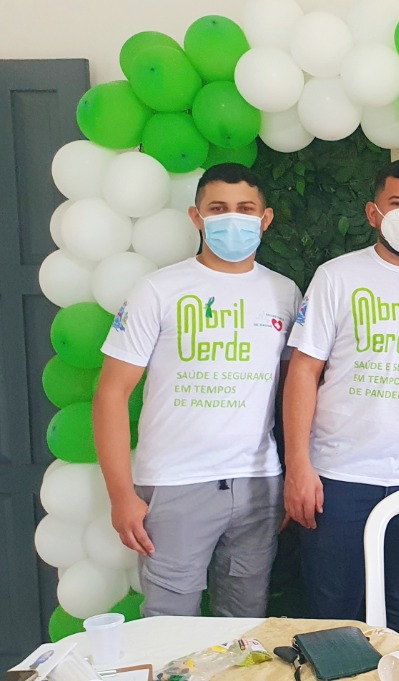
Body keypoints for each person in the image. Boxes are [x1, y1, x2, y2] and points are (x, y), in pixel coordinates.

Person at [94, 163, 301, 617]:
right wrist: (121, 496)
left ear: (265, 219)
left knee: (244, 623)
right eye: (218, 209)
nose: (233, 218)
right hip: (173, 483)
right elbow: (111, 394)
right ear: (196, 217)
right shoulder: (157, 290)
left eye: (245, 209)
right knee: (168, 623)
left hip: (257, 484)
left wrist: (289, 474)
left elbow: (293, 393)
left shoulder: (285, 294)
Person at [283, 159, 399, 634]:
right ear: (373, 213)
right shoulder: (336, 276)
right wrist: (298, 467)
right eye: (398, 203)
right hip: (337, 478)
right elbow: (303, 372)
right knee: (332, 617)